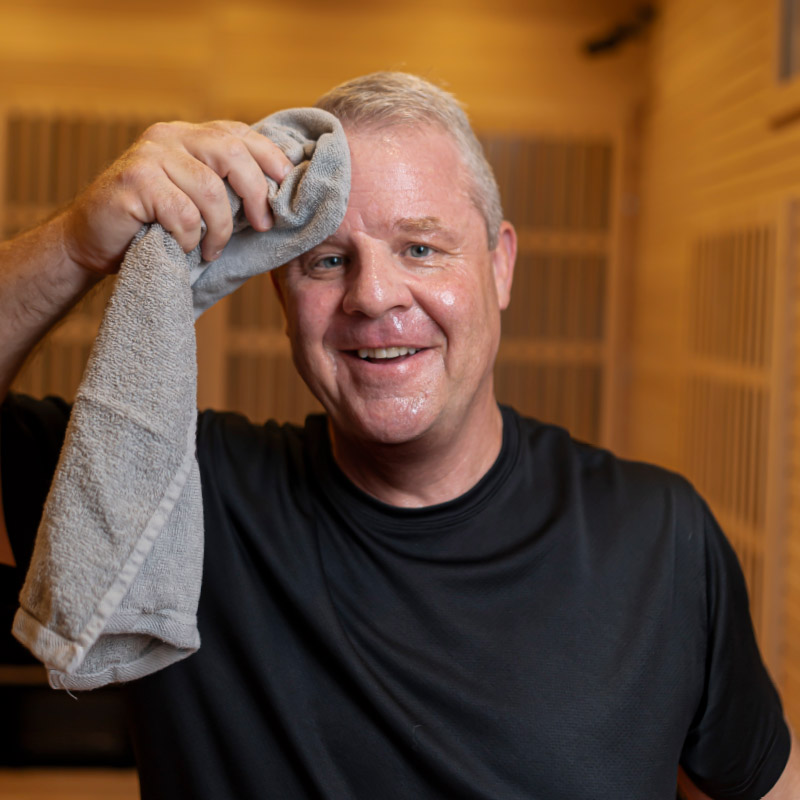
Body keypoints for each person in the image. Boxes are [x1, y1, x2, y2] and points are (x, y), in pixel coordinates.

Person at [0, 72, 797, 799]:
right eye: (326, 261)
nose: (374, 296)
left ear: (500, 266)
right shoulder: (169, 496)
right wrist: (73, 245)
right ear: (280, 294)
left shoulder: (660, 537)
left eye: (421, 247)